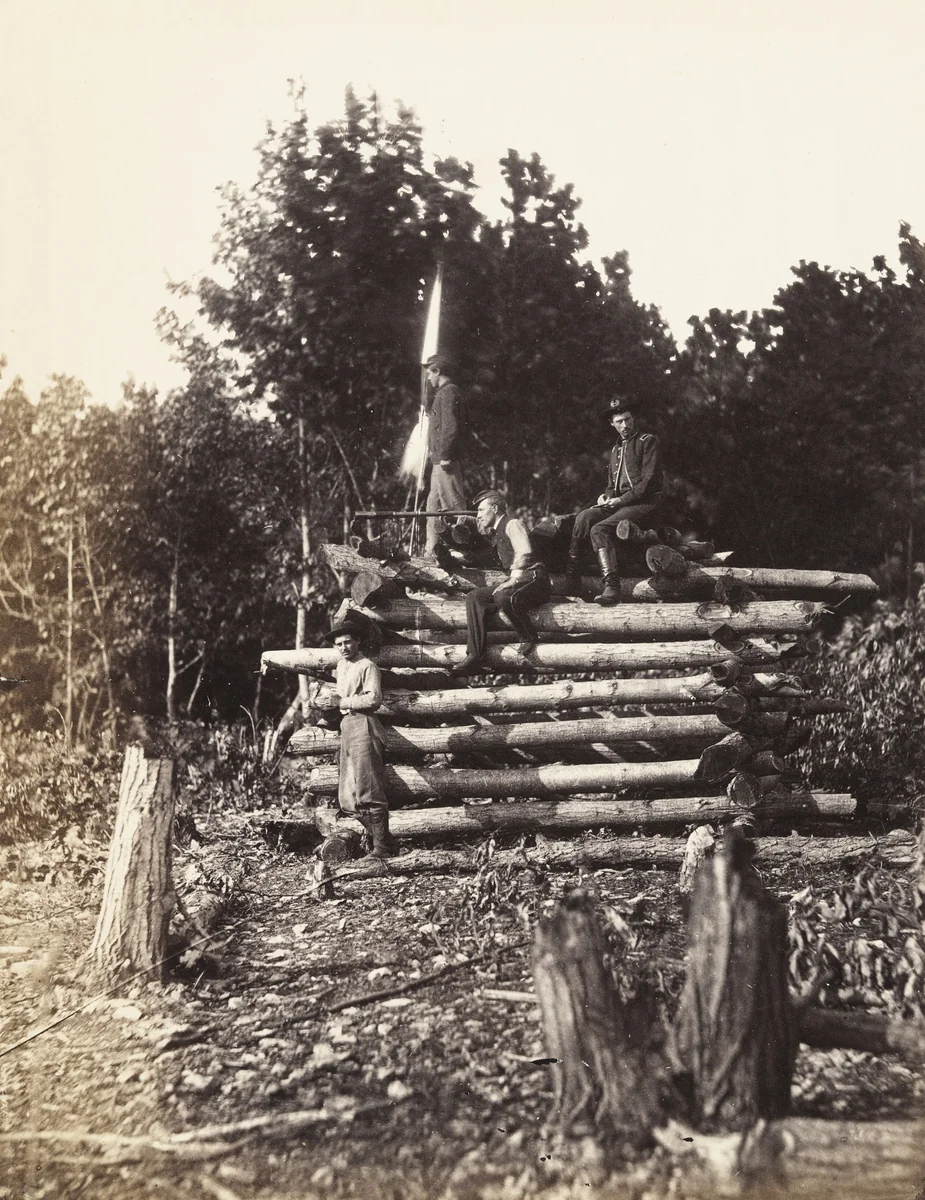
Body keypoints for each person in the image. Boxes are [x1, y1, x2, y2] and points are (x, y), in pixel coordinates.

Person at [566, 397, 663, 605]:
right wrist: (606, 497)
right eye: (619, 421)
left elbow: (649, 482)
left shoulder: (647, 441)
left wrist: (619, 500)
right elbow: (612, 485)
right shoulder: (615, 450)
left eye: (627, 419)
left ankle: (612, 587)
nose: (625, 425)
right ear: (612, 424)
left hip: (645, 505)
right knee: (583, 517)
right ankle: (572, 577)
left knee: (598, 529)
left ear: (633, 418)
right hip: (621, 504)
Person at [450, 490, 552, 676]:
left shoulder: (513, 524)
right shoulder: (496, 531)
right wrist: (460, 519)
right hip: (520, 580)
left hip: (535, 579)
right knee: (475, 597)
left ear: (495, 508)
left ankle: (528, 636)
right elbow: (479, 527)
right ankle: (475, 655)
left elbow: (524, 551)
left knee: (503, 595)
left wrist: (513, 578)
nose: (478, 515)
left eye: (481, 510)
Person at [325, 621, 394, 859]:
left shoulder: (368, 665)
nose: (343, 647)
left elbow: (374, 699)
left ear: (358, 642)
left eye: (347, 642)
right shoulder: (342, 666)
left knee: (369, 791)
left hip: (364, 725)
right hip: (347, 727)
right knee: (347, 798)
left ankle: (381, 849)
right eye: (338, 644)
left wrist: (343, 703)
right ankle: (388, 841)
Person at [423, 354, 467, 556]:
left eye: (429, 373)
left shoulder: (449, 392)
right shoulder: (442, 393)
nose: (428, 378)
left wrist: (445, 454)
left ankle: (463, 547)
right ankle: (431, 550)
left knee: (453, 504)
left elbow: (450, 427)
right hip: (438, 461)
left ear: (438, 371)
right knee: (433, 506)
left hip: (445, 460)